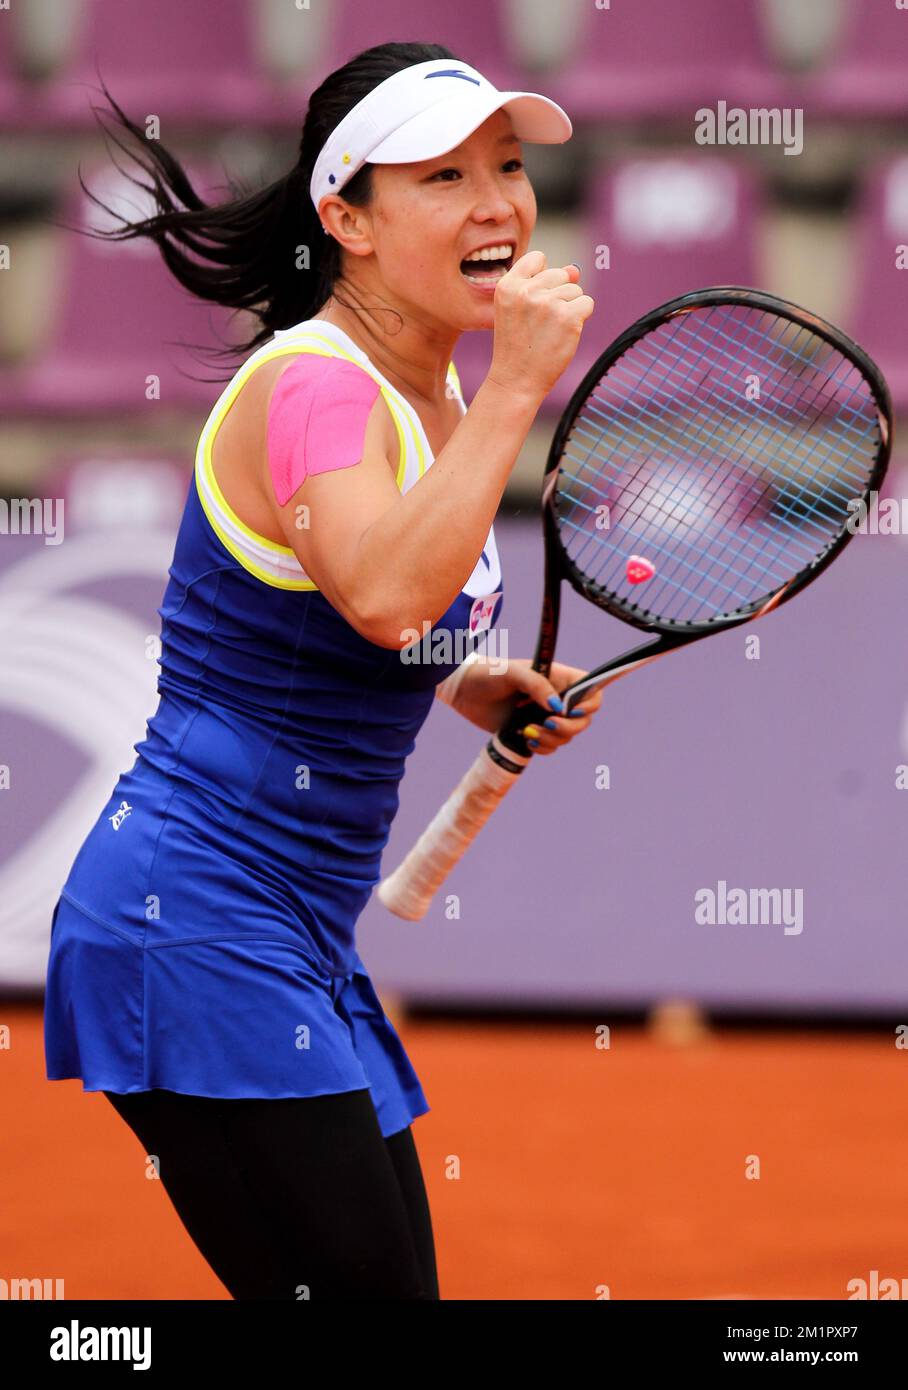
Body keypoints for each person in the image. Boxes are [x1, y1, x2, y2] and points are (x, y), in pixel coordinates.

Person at [43, 41, 601, 1300]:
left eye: (506, 167)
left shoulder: (431, 396)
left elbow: (380, 620)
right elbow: (387, 591)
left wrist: (475, 682)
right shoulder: (312, 388)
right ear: (342, 218)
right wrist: (519, 383)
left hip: (291, 932)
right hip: (190, 918)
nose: (498, 202)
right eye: (444, 175)